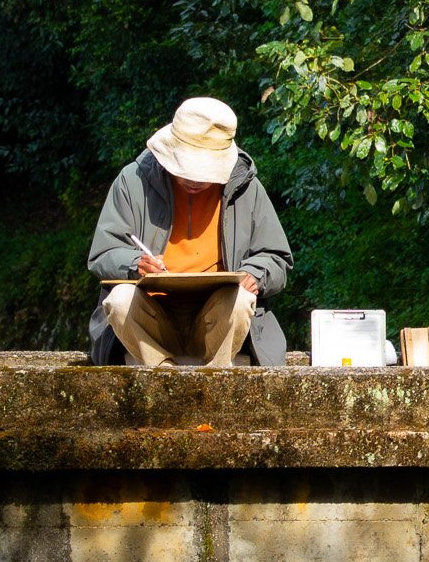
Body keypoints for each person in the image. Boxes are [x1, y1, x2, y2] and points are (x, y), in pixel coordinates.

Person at [86, 97, 293, 368]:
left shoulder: (247, 189)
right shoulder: (132, 181)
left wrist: (256, 274)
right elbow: (103, 253)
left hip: (215, 321)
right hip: (152, 316)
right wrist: (135, 263)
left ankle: (215, 378)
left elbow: (276, 257)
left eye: (204, 172)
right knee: (120, 300)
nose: (194, 180)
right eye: (187, 169)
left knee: (241, 300)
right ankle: (162, 374)